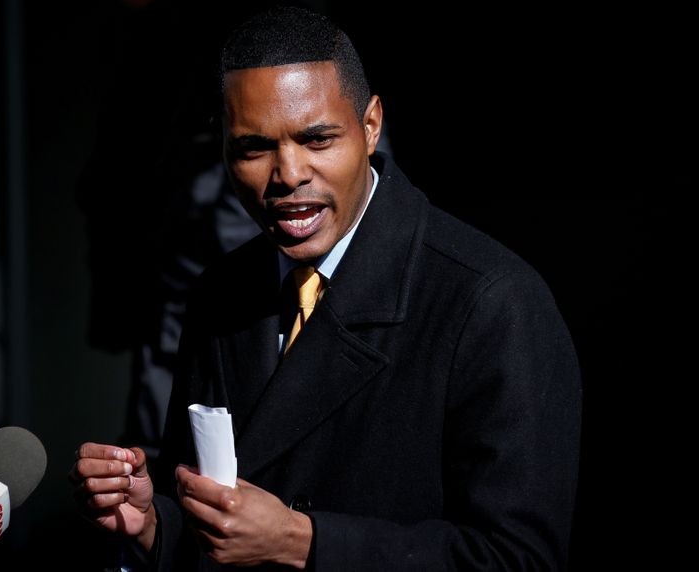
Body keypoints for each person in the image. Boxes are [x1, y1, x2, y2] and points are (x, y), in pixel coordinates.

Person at [70, 6, 581, 570]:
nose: (288, 174)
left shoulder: (490, 301)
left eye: (317, 140)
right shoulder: (221, 294)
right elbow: (213, 526)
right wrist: (154, 523)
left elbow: (520, 558)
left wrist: (301, 540)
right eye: (253, 148)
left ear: (371, 126)